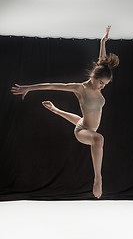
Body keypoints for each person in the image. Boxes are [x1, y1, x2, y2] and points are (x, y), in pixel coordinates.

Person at [11, 25, 119, 199]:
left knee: (89, 129)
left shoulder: (99, 78)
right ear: (94, 78)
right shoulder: (80, 88)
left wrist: (102, 42)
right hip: (82, 131)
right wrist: (29, 88)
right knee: (99, 139)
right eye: (101, 84)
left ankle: (56, 110)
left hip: (84, 124)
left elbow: (101, 62)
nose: (103, 87)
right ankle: (98, 178)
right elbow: (53, 85)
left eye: (105, 85)